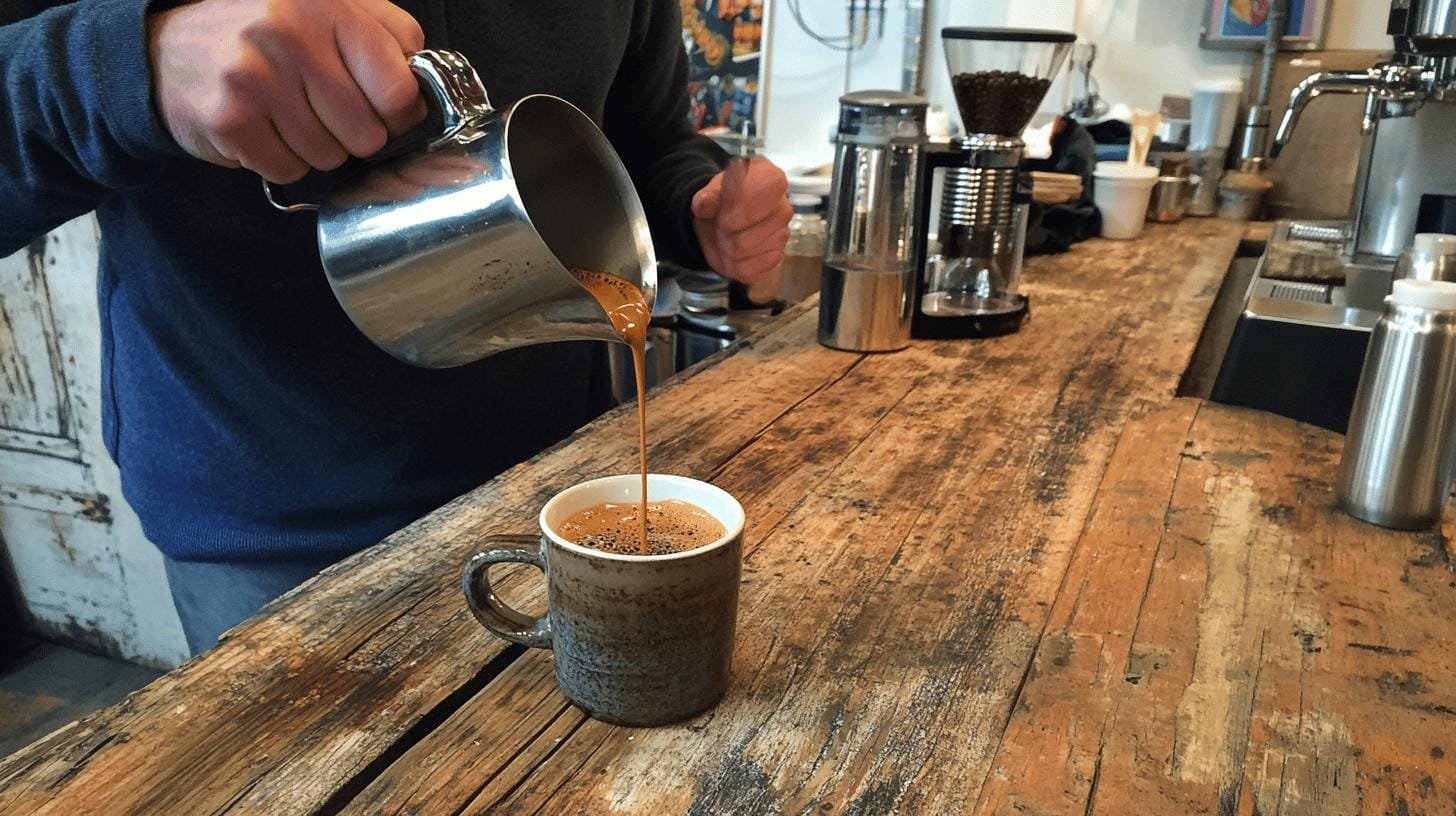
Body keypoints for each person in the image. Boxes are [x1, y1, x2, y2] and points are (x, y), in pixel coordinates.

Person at [0, 0, 792, 655]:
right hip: (274, 532)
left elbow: (644, 141)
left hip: (554, 483)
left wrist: (698, 212)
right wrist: (132, 65)